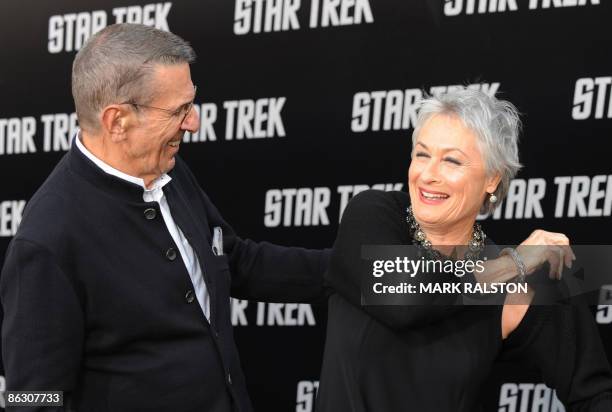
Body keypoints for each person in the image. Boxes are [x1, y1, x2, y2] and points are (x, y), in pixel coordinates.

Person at [0, 24, 329, 412]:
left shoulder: (167, 169)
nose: (194, 122)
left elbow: (237, 261)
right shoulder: (48, 242)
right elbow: (32, 399)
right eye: (179, 110)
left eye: (191, 104)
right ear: (117, 121)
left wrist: (380, 274)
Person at [316, 88, 612, 411]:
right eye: (422, 154)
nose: (428, 175)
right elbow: (406, 297)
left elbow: (594, 394)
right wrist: (512, 264)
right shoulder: (372, 219)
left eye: (452, 160)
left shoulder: (520, 286)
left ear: (491, 179)